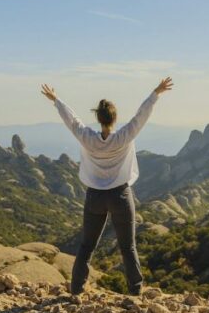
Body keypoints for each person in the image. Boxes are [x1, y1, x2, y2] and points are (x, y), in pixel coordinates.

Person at [40, 77, 173, 295]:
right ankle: (135, 292)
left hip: (95, 198)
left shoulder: (88, 138)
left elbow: (72, 121)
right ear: (114, 118)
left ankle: (76, 290)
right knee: (128, 247)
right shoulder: (124, 137)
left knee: (86, 246)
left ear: (98, 119)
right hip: (120, 195)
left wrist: (56, 100)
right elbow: (141, 116)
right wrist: (155, 93)